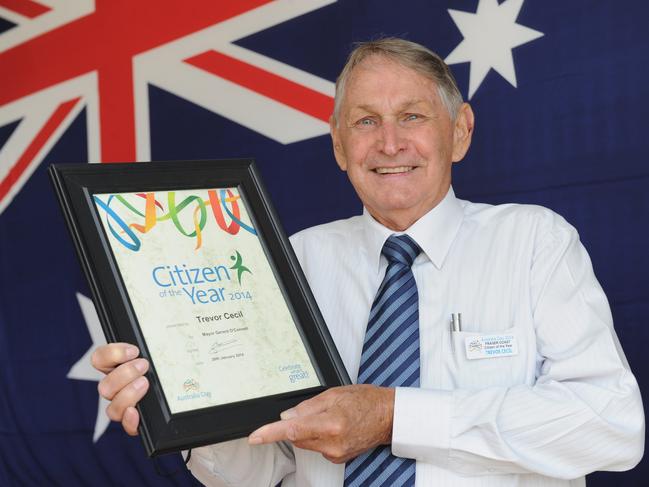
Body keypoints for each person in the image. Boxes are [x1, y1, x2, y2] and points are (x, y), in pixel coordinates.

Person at [92, 38, 644, 486]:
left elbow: (610, 426)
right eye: (364, 122)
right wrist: (184, 407)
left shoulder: (534, 242)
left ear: (459, 132)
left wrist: (391, 417)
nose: (388, 143)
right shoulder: (292, 260)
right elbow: (259, 472)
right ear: (337, 145)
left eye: (411, 116)